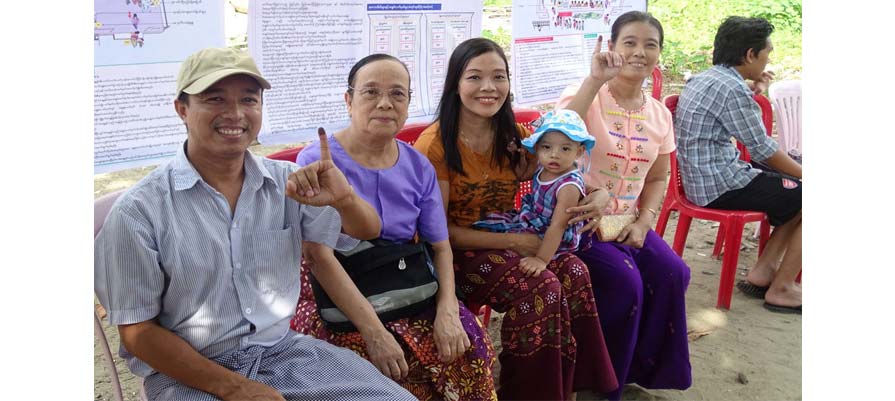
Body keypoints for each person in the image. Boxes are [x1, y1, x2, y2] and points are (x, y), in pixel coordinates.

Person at [94, 48, 416, 401]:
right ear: (182, 109)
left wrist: (345, 199)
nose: (234, 113)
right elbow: (137, 332)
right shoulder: (138, 212)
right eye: (214, 99)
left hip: (285, 353)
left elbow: (367, 231)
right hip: (188, 372)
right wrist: (234, 387)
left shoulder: (288, 183)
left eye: (249, 99)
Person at [414, 37, 617, 401]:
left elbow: (561, 138)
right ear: (455, 84)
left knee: (574, 272)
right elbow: (438, 234)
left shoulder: (511, 135)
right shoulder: (436, 146)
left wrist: (599, 193)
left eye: (499, 76)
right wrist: (516, 242)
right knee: (542, 288)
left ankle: (566, 386)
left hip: (512, 235)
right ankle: (525, 393)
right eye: (474, 77)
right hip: (455, 254)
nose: (488, 88)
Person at [290, 54, 497, 401]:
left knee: (466, 345)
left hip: (403, 276)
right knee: (365, 362)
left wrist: (448, 307)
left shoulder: (417, 164)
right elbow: (317, 255)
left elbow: (440, 246)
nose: (385, 103)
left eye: (397, 94)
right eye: (371, 92)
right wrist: (373, 331)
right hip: (337, 284)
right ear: (349, 100)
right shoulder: (318, 161)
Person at [557, 10, 692, 400]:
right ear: (612, 47)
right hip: (578, 223)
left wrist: (645, 222)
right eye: (629, 42)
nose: (639, 52)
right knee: (624, 281)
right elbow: (559, 128)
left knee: (672, 273)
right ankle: (598, 384)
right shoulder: (587, 96)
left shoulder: (659, 114)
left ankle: (632, 367)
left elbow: (657, 178)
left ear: (659, 54)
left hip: (629, 222)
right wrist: (594, 79)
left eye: (650, 45)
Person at [675, 16, 802, 314]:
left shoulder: (709, 77)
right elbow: (763, 148)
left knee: (795, 192)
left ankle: (764, 272)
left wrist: (752, 90)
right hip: (719, 184)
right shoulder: (732, 89)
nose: (768, 58)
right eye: (767, 52)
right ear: (749, 54)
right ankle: (782, 288)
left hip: (703, 178)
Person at [472, 109, 596, 277]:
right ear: (537, 148)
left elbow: (558, 226)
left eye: (565, 149)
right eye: (546, 147)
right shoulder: (545, 167)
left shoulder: (569, 187)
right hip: (534, 219)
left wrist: (541, 259)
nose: (554, 154)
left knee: (505, 251)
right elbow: (523, 176)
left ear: (579, 152)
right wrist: (519, 154)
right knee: (489, 225)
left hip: (550, 234)